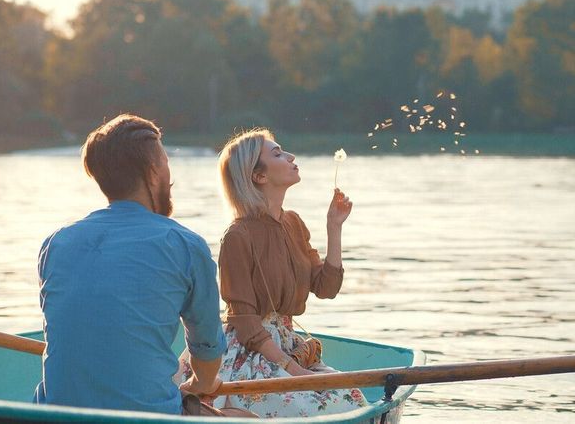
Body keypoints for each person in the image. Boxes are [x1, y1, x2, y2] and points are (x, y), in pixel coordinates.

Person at [33, 114, 226, 415]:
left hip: (51, 416)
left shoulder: (56, 244)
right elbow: (207, 354)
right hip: (147, 417)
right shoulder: (186, 245)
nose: (170, 176)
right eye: (165, 162)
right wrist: (201, 384)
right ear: (153, 171)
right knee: (249, 418)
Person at [177, 128, 367, 418]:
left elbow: (326, 288)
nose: (291, 157)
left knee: (351, 400)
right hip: (248, 353)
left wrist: (334, 227)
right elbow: (245, 322)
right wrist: (294, 371)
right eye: (277, 153)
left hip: (287, 345)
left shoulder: (293, 223)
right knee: (293, 408)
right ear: (259, 176)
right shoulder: (237, 236)